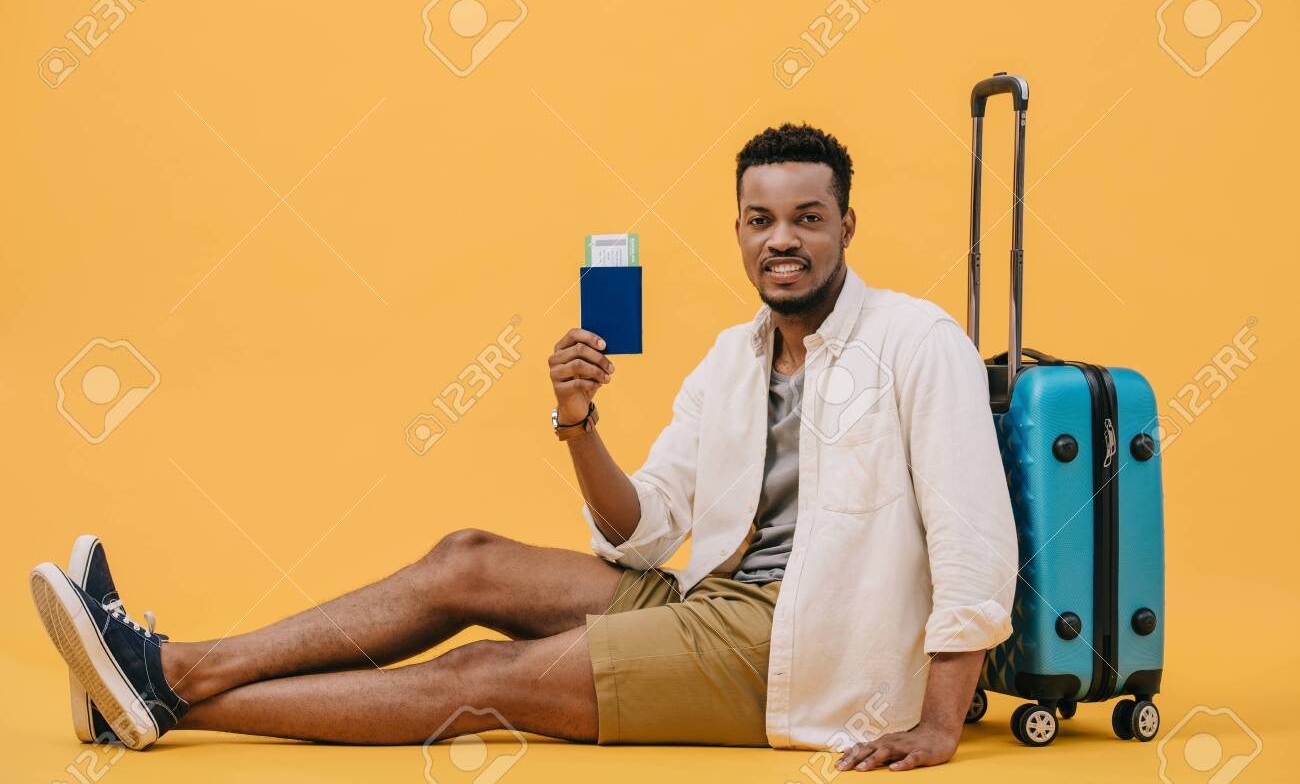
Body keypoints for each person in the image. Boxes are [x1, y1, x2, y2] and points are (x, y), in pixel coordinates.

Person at [30, 123, 1017, 772]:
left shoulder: (915, 344)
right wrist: (577, 423)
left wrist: (936, 721)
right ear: (738, 230)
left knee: (484, 679)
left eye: (807, 218)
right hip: (713, 597)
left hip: (804, 654)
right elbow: (643, 532)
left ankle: (167, 691)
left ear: (847, 224)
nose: (783, 240)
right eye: (762, 220)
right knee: (465, 560)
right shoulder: (733, 357)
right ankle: (166, 670)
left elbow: (974, 541)